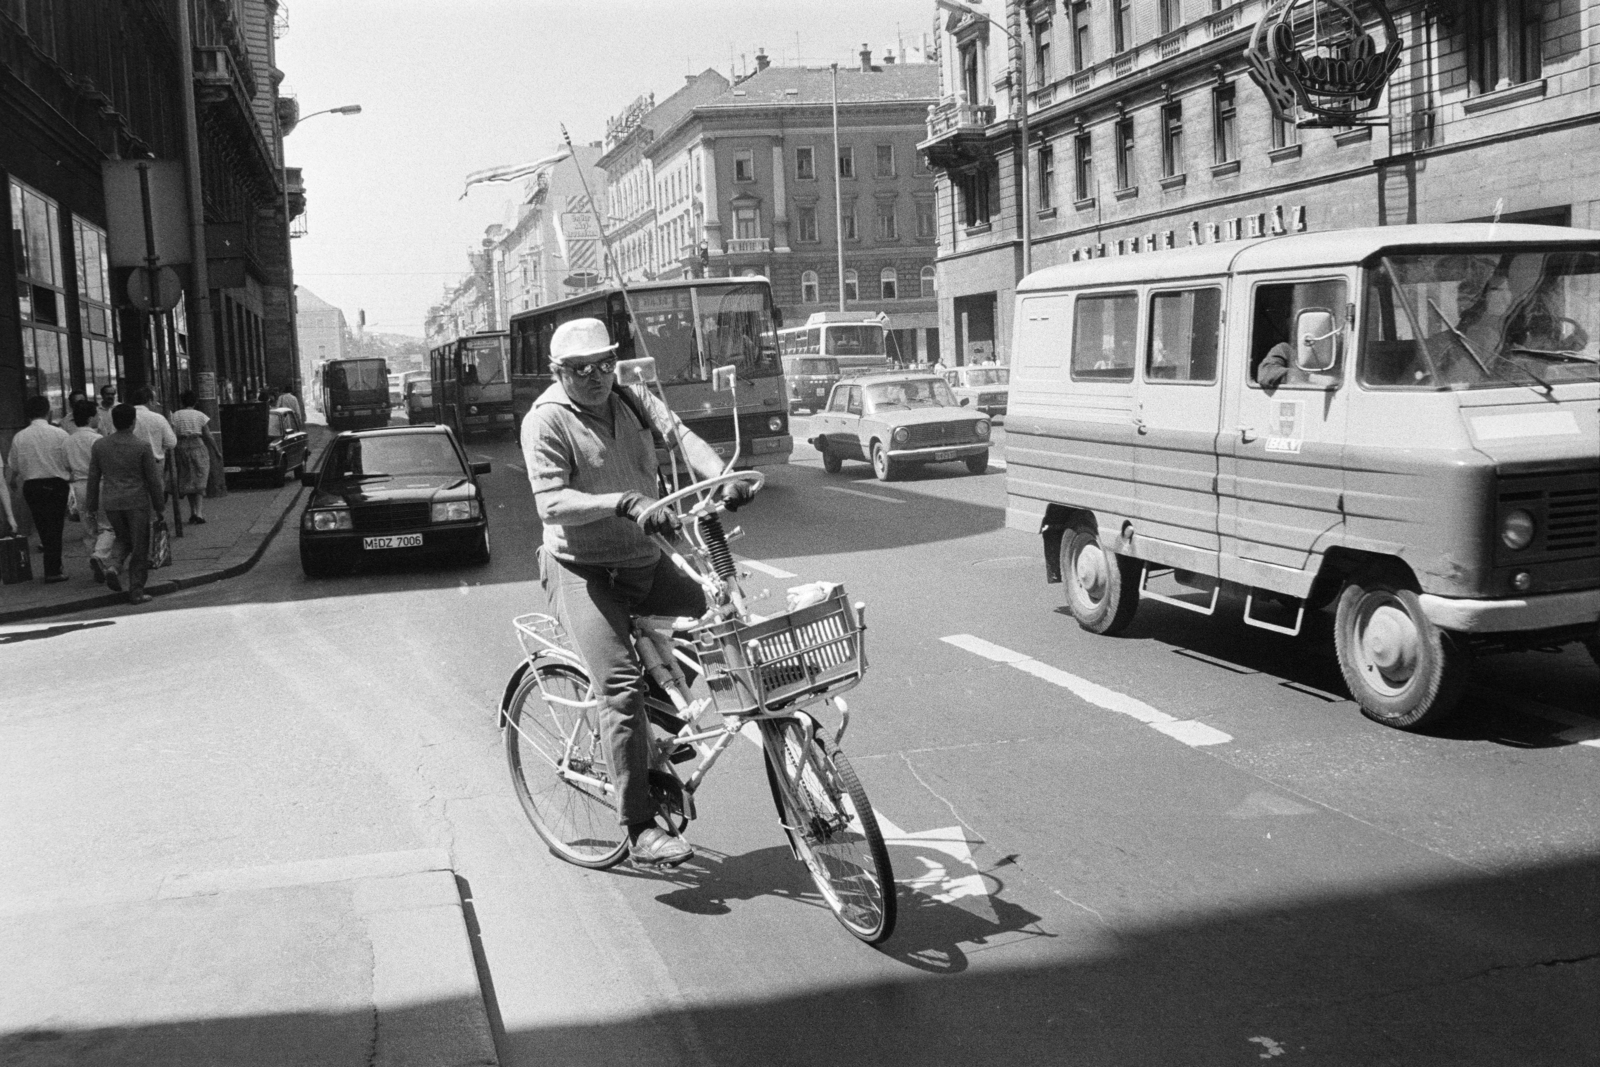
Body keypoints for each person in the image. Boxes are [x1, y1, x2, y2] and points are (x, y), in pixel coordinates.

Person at [521, 317, 757, 869]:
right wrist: (621, 502)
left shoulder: (631, 397)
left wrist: (722, 475)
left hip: (643, 559)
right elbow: (549, 503)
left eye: (605, 364)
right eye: (582, 370)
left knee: (720, 616)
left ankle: (657, 735)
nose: (597, 377)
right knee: (620, 689)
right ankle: (640, 825)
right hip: (582, 569)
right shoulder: (547, 421)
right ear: (559, 372)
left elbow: (678, 434)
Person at [85, 403, 163, 605]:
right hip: (136, 501)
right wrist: (160, 506)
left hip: (111, 501)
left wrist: (91, 506)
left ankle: (113, 566)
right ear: (133, 422)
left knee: (122, 537)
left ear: (113, 422)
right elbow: (153, 481)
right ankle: (136, 591)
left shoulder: (100, 446)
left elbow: (93, 478)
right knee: (139, 545)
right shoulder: (142, 447)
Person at [6, 395, 73, 582]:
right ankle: (53, 569)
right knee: (56, 526)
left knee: (42, 525)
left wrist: (12, 481)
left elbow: (14, 465)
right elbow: (68, 461)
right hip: (56, 484)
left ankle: (51, 566)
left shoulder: (20, 437)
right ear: (48, 412)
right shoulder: (60, 434)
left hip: (32, 487)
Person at [63, 398, 109, 581]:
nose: (99, 418)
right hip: (100, 483)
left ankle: (95, 560)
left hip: (79, 486)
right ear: (91, 418)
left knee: (88, 526)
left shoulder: (68, 441)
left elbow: (66, 466)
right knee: (107, 525)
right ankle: (100, 555)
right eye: (97, 415)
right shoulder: (98, 440)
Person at [170, 390, 220, 524]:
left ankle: (193, 512)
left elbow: (173, 435)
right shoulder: (200, 415)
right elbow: (208, 435)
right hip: (198, 444)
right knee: (200, 478)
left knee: (187, 479)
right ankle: (199, 512)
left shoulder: (175, 415)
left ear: (182, 401)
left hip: (181, 446)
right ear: (195, 402)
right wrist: (216, 451)